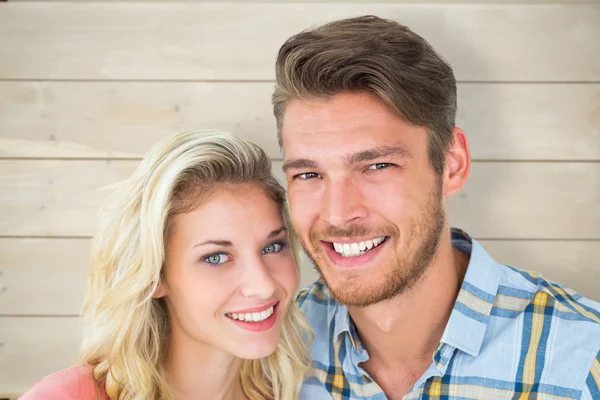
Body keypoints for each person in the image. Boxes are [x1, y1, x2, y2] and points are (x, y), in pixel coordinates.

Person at [272, 15, 600, 400]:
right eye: (309, 174)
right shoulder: (273, 349)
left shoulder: (583, 363)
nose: (337, 214)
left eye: (377, 166)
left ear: (452, 164)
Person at [21, 131, 311, 400]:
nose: (262, 285)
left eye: (272, 247)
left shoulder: (304, 390)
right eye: (215, 257)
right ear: (156, 276)